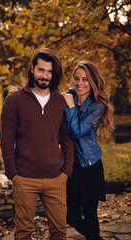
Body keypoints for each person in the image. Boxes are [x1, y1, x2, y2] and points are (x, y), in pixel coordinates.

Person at [0, 48, 74, 240]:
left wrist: (66, 171)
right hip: (24, 178)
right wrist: (13, 173)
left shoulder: (62, 100)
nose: (45, 76)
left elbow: (67, 140)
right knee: (23, 232)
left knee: (59, 232)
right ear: (32, 68)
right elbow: (7, 139)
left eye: (50, 72)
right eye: (41, 70)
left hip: (56, 178)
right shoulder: (14, 100)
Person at [61, 60, 114, 240]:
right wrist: (19, 91)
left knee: (90, 214)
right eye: (76, 78)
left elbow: (77, 133)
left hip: (90, 166)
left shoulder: (96, 106)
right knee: (71, 215)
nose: (79, 83)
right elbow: (44, 94)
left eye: (85, 79)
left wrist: (70, 107)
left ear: (92, 82)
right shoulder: (69, 95)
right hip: (71, 165)